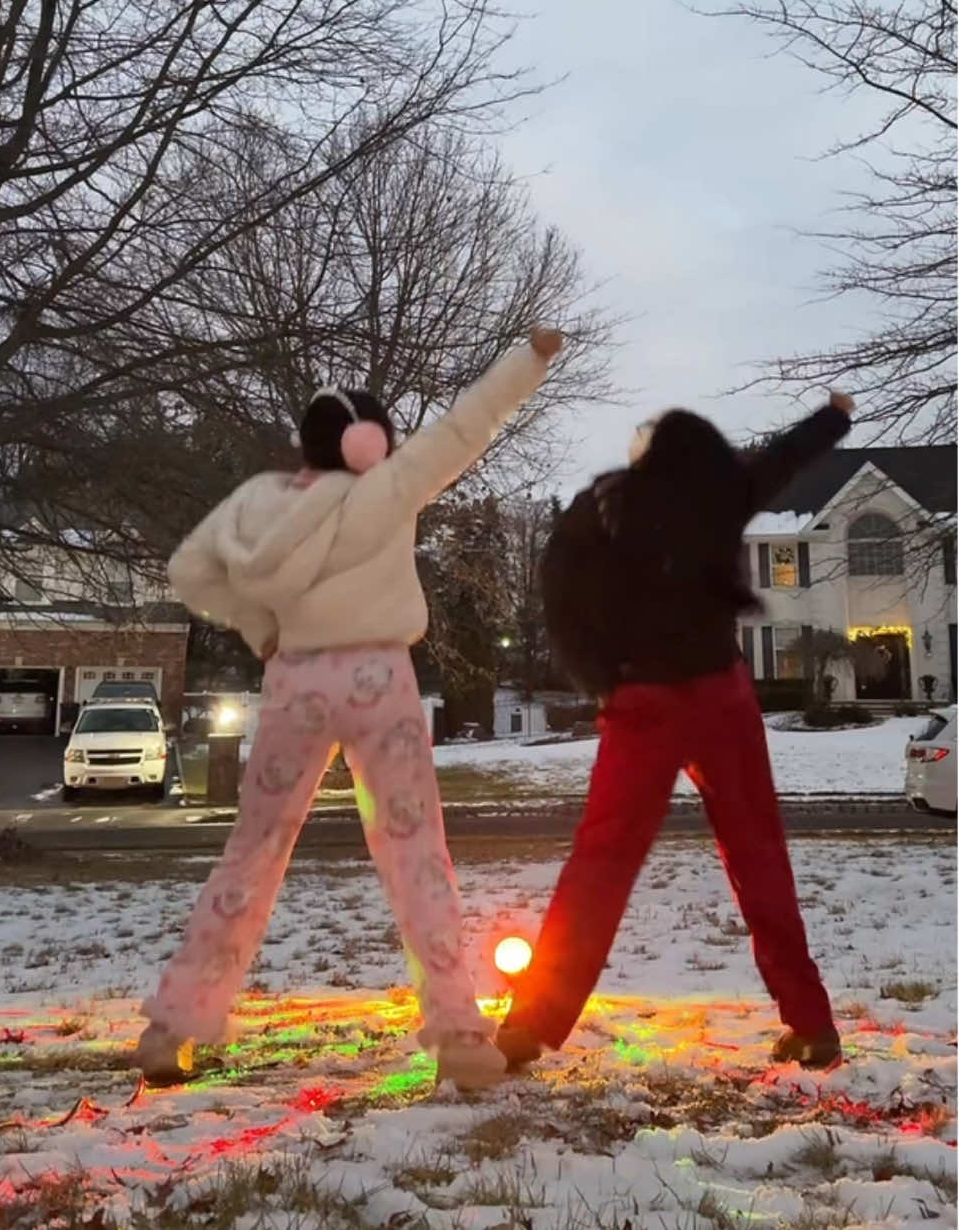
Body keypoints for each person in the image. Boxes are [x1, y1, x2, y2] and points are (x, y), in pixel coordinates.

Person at [137, 328, 564, 1090]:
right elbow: (469, 424)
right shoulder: (387, 486)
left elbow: (187, 572)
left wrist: (263, 624)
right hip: (379, 677)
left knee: (253, 850)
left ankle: (173, 1024)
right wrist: (527, 359)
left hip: (294, 680)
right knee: (416, 856)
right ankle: (461, 1035)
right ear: (369, 444)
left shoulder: (258, 503)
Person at [497, 393, 855, 1073]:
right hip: (721, 694)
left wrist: (602, 679)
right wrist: (833, 416)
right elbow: (784, 455)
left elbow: (562, 602)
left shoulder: (600, 507)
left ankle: (533, 1022)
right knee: (758, 856)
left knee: (601, 864)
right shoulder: (723, 493)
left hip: (643, 701)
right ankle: (811, 1024)